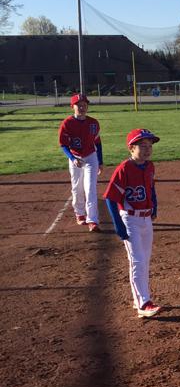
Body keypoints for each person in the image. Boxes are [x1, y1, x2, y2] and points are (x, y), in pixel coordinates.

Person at [103, 128, 162, 319]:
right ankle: (143, 303)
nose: (147, 149)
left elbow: (151, 188)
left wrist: (154, 207)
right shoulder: (124, 168)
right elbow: (110, 198)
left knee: (144, 260)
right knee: (137, 260)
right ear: (131, 148)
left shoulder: (150, 166)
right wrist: (119, 226)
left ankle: (143, 299)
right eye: (142, 146)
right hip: (130, 219)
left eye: (149, 145)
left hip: (146, 219)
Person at [58, 93, 103, 231]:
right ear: (73, 107)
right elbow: (63, 145)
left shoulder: (93, 123)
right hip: (75, 157)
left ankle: (92, 220)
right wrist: (72, 158)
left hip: (91, 157)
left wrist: (100, 161)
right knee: (77, 188)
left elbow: (98, 142)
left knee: (90, 188)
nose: (82, 107)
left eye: (84, 105)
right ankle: (80, 213)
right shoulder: (67, 123)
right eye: (79, 105)